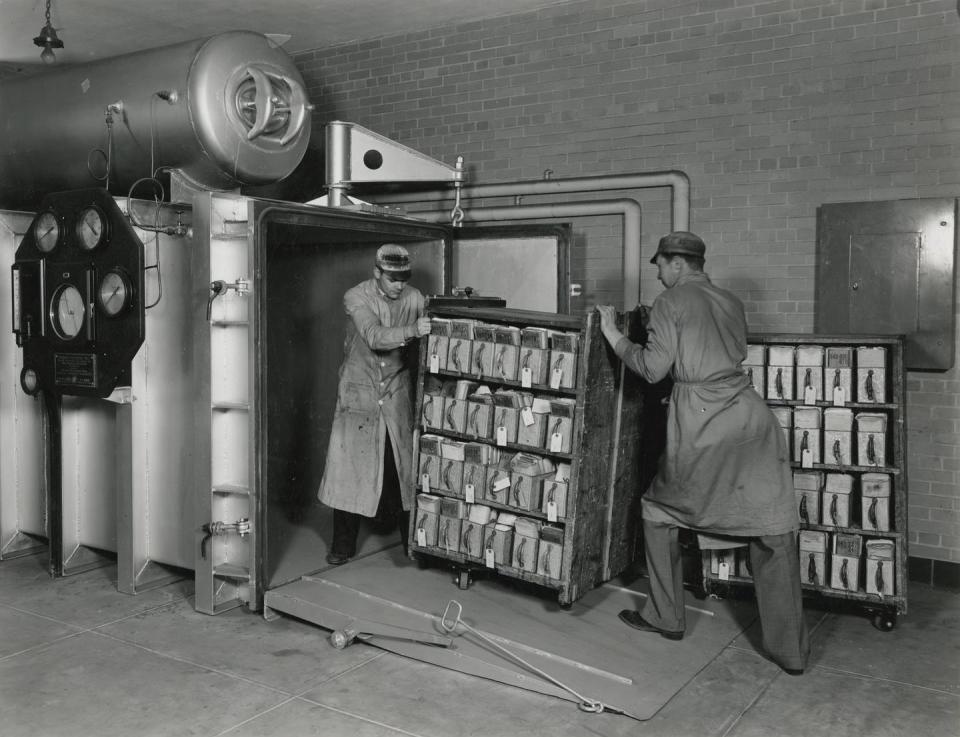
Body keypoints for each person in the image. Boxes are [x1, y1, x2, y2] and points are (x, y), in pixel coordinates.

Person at [596, 231, 809, 676]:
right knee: (772, 529)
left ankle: (666, 616)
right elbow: (735, 350)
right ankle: (792, 652)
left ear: (676, 263)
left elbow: (653, 370)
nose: (657, 271)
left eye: (659, 264)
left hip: (703, 419)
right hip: (752, 417)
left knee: (658, 512)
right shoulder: (730, 300)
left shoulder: (670, 303)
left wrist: (613, 334)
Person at [318, 244, 432, 565]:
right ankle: (342, 546)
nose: (399, 284)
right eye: (393, 278)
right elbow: (372, 335)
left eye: (403, 278)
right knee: (349, 470)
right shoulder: (356, 296)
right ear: (377, 273)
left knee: (403, 469)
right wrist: (414, 330)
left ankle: (414, 545)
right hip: (359, 393)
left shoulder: (415, 298)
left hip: (396, 391)